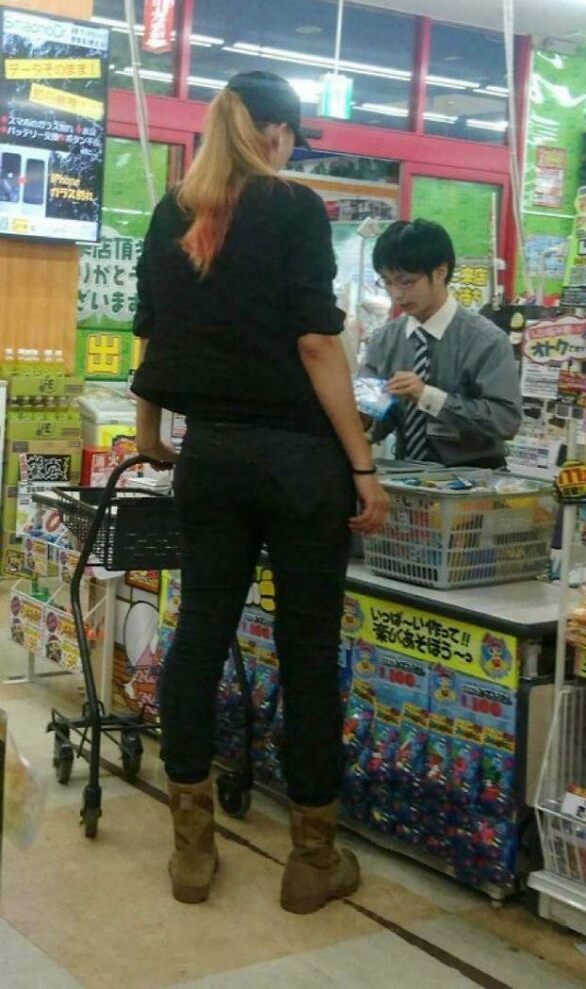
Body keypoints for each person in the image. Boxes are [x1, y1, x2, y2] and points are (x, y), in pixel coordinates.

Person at [131, 71, 388, 912]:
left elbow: (151, 332)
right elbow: (318, 342)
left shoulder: (171, 213)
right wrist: (361, 463)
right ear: (275, 132)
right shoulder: (292, 207)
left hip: (211, 458)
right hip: (300, 466)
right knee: (308, 650)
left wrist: (146, 436)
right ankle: (312, 858)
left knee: (199, 635)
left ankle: (192, 849)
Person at [364, 219, 522, 467]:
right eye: (387, 281)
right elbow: (370, 421)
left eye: (406, 281)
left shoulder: (486, 341)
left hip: (473, 483)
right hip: (407, 479)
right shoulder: (384, 341)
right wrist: (364, 415)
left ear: (440, 272)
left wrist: (427, 396)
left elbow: (506, 421)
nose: (396, 294)